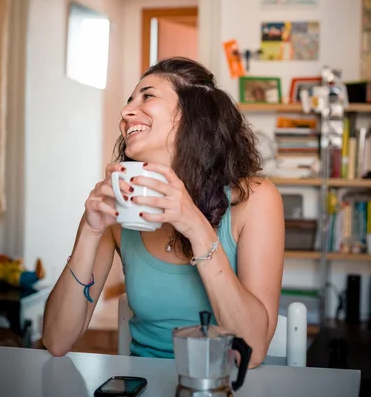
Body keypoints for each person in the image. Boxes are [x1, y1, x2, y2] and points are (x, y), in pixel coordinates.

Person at [42, 58, 284, 366]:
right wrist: (90, 233)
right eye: (130, 101)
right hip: (140, 388)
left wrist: (196, 227)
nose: (126, 112)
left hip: (225, 389)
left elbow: (252, 351)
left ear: (193, 117)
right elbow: (56, 340)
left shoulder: (256, 200)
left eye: (147, 96)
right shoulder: (113, 209)